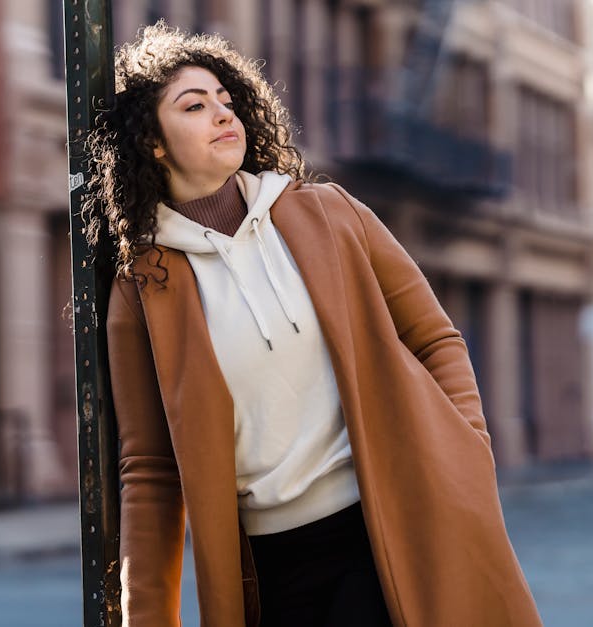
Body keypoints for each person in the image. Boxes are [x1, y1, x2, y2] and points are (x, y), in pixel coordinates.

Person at [83, 23, 542, 627]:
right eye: (194, 106)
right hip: (274, 567)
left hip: (393, 525)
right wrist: (146, 619)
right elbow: (150, 469)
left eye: (226, 100)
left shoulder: (330, 213)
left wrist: (467, 450)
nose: (223, 114)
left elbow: (434, 338)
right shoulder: (143, 289)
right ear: (154, 144)